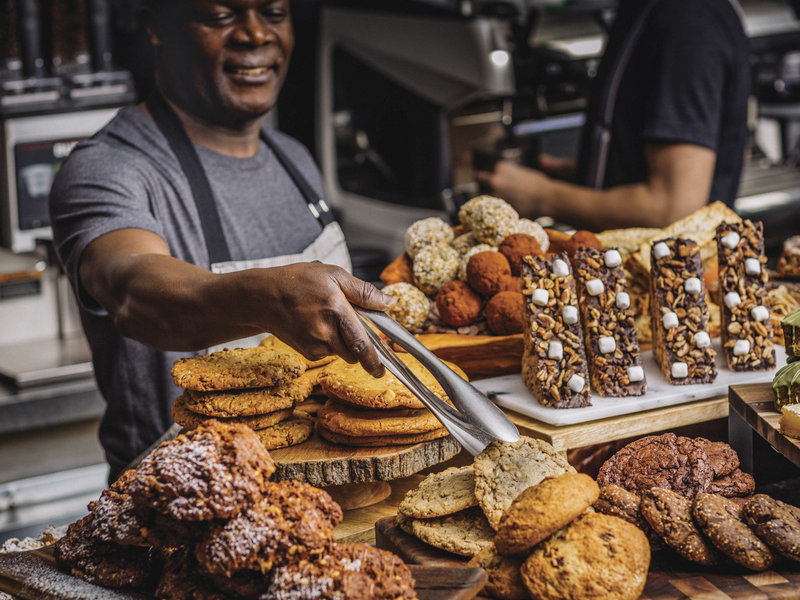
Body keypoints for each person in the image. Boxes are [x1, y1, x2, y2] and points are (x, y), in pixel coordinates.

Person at [49, 0, 394, 481]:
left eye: (273, 13)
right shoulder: (109, 168)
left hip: (321, 488)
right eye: (220, 15)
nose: (255, 35)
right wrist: (266, 300)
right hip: (182, 502)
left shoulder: (292, 158)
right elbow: (133, 292)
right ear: (157, 26)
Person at [477, 0, 750, 230]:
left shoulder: (688, 20)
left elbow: (673, 208)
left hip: (669, 284)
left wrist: (543, 196)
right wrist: (585, 173)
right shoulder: (646, 8)